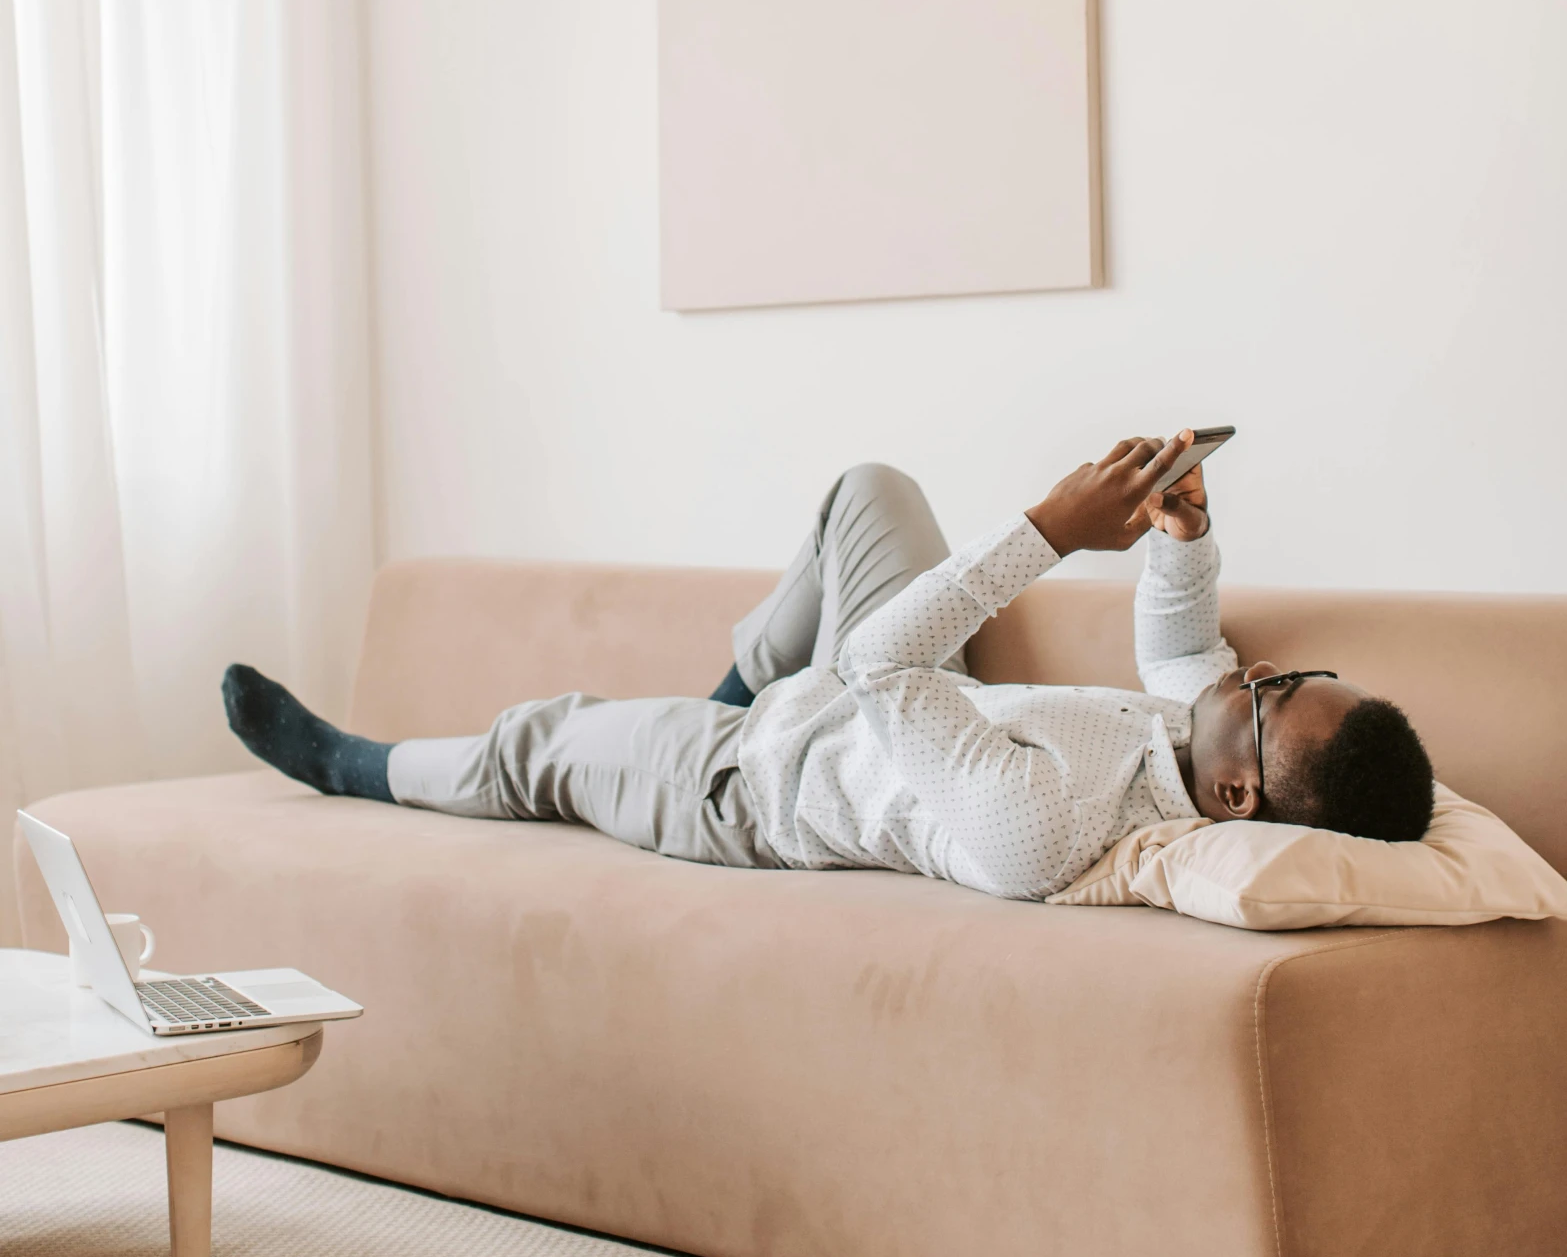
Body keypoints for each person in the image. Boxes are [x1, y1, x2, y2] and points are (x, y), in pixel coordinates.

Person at [222, 432, 1435, 902]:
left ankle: (354, 764)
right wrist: (1184, 531)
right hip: (899, 701)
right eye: (1289, 670)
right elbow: (1181, 642)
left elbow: (872, 661)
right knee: (871, 493)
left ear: (1239, 795)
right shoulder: (1192, 744)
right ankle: (733, 682)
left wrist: (1051, 530)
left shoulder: (1040, 828)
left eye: (1272, 697)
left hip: (755, 785)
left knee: (546, 739)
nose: (1257, 672)